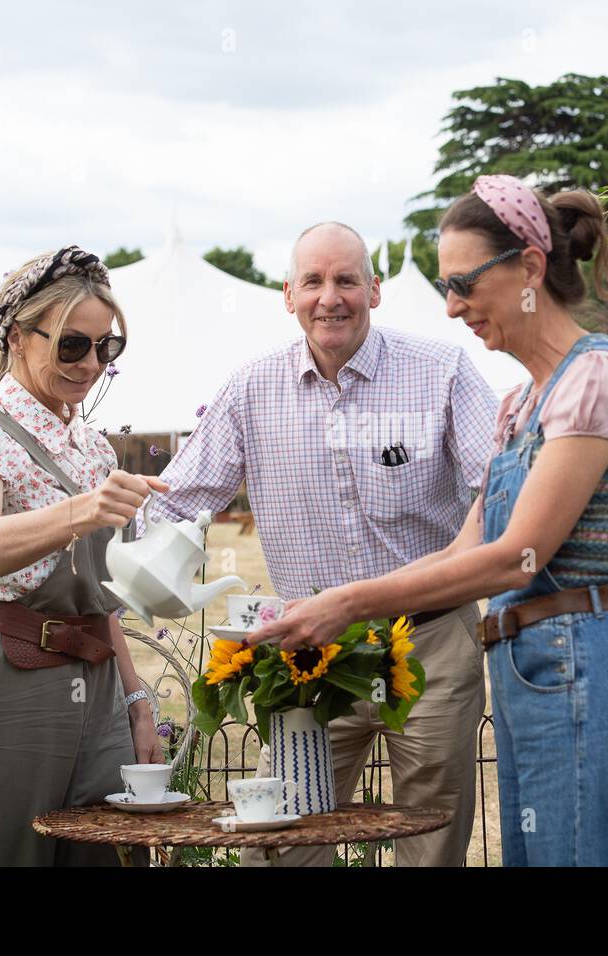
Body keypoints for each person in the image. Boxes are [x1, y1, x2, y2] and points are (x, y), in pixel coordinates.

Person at [249, 177, 608, 867]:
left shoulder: (596, 379)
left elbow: (518, 556)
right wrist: (333, 607)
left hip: (589, 662)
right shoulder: (520, 405)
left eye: (464, 284)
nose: (451, 308)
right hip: (532, 669)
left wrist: (351, 602)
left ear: (530, 267)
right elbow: (461, 551)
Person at [144, 221, 498, 866]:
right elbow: (181, 498)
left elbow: (496, 489)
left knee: (431, 836)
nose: (329, 297)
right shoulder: (253, 388)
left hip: (429, 640)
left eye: (346, 280)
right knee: (282, 843)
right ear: (288, 295)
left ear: (375, 290)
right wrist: (125, 541)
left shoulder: (441, 370)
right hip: (312, 652)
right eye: (313, 281)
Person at [0, 246, 169, 866]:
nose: (91, 364)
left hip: (96, 681)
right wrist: (83, 509)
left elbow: (101, 598)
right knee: (2, 855)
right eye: (70, 346)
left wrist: (135, 703)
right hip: (3, 676)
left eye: (105, 348)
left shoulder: (92, 448)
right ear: (16, 336)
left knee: (112, 852)